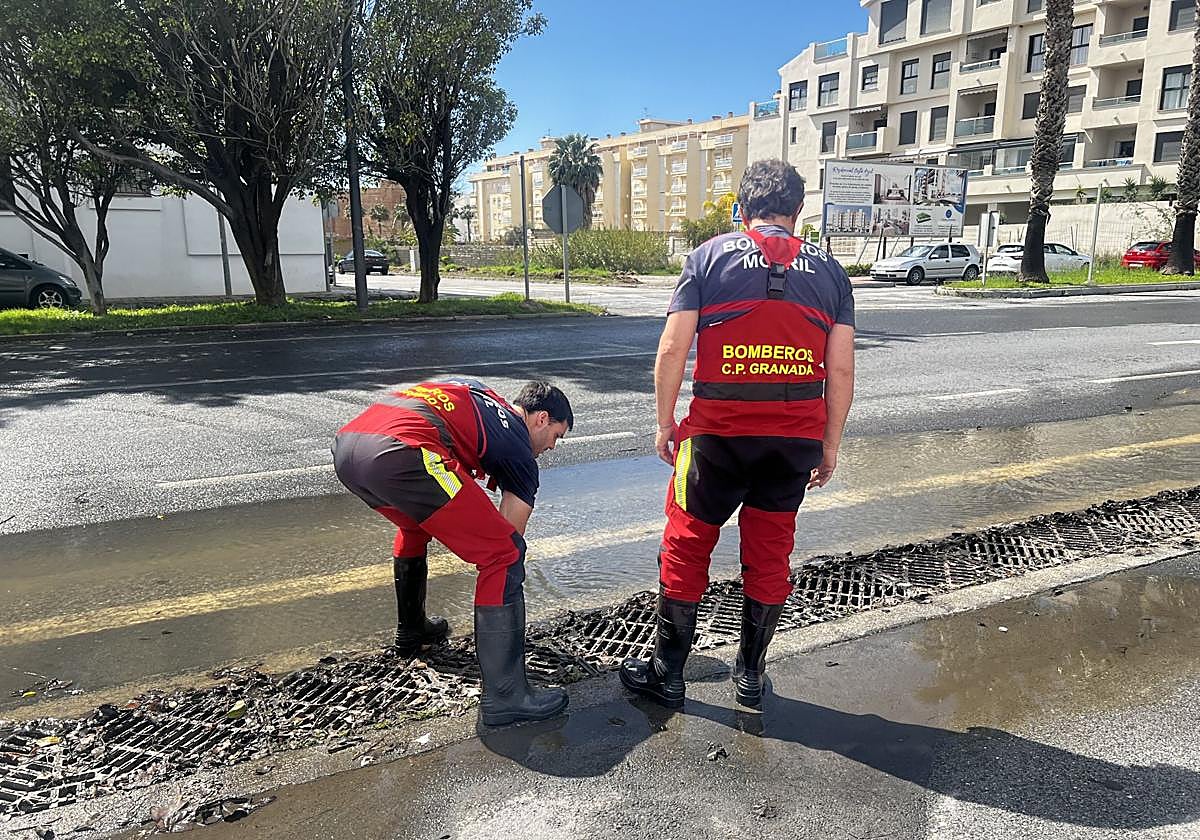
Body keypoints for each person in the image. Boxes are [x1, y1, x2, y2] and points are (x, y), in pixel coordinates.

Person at [620, 159, 856, 711]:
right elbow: (840, 371)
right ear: (798, 212)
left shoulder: (707, 258)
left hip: (713, 440)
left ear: (741, 210)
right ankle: (750, 675)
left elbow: (672, 348)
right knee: (771, 552)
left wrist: (664, 422)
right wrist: (830, 444)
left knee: (686, 544)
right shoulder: (832, 274)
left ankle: (668, 674)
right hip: (793, 441)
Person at [332, 378, 573, 726]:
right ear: (541, 419)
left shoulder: (482, 395)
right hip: (403, 450)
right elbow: (508, 538)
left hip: (350, 449)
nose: (551, 447)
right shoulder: (520, 450)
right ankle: (506, 697)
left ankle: (412, 632)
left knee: (416, 526)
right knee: (503, 555)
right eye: (556, 436)